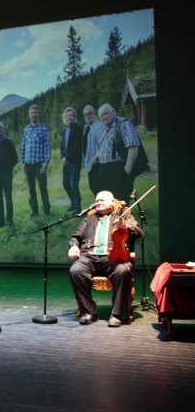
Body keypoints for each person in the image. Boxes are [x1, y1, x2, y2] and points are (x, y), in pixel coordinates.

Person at [68, 190, 143, 327]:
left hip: (114, 258)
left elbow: (138, 233)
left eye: (101, 200)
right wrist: (74, 246)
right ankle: (89, 311)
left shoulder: (124, 215)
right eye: (96, 201)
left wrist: (126, 227)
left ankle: (116, 314)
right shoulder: (90, 218)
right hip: (90, 257)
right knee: (75, 270)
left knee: (123, 270)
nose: (98, 203)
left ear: (112, 202)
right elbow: (75, 237)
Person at [95, 103, 141, 204]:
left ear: (113, 111)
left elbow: (133, 146)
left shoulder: (123, 124)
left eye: (106, 113)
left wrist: (127, 169)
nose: (104, 117)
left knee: (121, 200)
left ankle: (121, 219)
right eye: (101, 116)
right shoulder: (102, 129)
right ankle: (111, 219)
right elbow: (100, 147)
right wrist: (96, 156)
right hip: (104, 170)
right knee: (107, 201)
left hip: (118, 168)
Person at [20, 104, 51, 217]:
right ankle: (34, 211)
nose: (33, 114)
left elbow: (47, 146)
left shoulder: (43, 128)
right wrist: (22, 162)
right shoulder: (26, 129)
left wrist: (46, 163)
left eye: (35, 113)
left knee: (43, 188)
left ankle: (47, 210)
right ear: (29, 115)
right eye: (32, 113)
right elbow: (23, 146)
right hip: (28, 165)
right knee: (31, 190)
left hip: (39, 165)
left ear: (38, 114)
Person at [0, 120, 18, 228]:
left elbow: (15, 158)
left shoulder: (9, 142)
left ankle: (9, 220)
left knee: (8, 197)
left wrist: (8, 168)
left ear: (3, 129)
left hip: (7, 175)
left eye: (0, 127)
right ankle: (1, 221)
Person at [60, 107, 83, 214]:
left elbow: (76, 146)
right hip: (66, 163)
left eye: (71, 115)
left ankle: (78, 208)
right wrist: (62, 157)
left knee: (74, 184)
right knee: (65, 184)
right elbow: (62, 146)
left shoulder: (78, 129)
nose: (69, 117)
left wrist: (67, 157)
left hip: (75, 162)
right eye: (67, 116)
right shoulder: (64, 130)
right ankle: (73, 202)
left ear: (74, 117)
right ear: (65, 117)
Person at [82, 104, 104, 197]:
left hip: (98, 162)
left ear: (94, 113)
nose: (88, 116)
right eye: (85, 114)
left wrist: (97, 156)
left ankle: (105, 209)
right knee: (93, 187)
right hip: (89, 163)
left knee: (99, 188)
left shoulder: (99, 126)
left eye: (90, 113)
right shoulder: (86, 127)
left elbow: (102, 143)